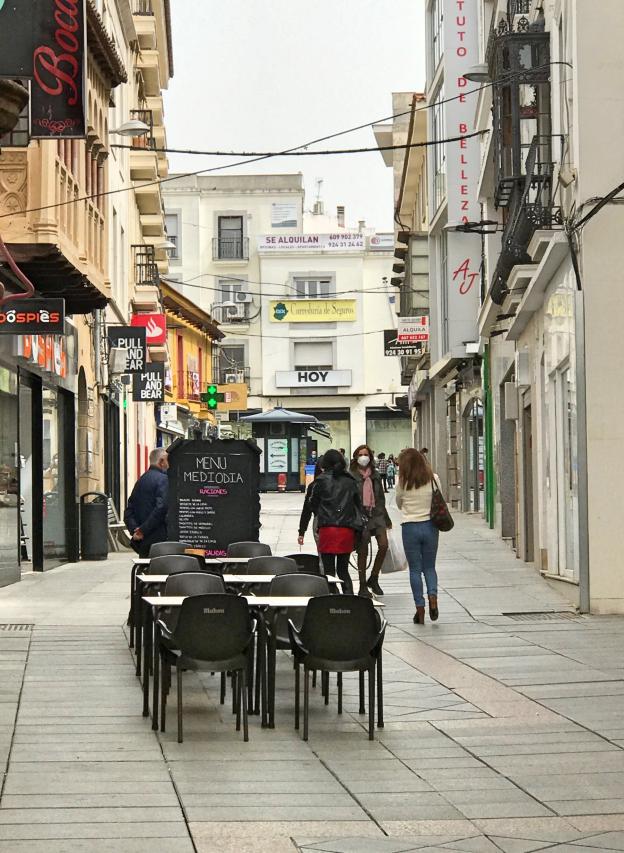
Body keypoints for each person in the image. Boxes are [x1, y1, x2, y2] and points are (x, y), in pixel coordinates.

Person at [396, 448, 441, 625]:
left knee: (415, 570)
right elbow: (440, 499)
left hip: (410, 527)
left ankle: (420, 609)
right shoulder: (433, 479)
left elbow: (399, 504)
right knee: (429, 567)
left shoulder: (402, 482)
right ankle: (433, 596)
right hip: (430, 526)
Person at [309, 449, 361, 595]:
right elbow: (358, 505)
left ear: (324, 463)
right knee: (343, 570)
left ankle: (333, 598)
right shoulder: (350, 481)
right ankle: (349, 599)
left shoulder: (320, 481)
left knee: (329, 571)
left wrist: (320, 513)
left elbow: (313, 503)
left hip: (327, 529)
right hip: (346, 529)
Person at [350, 445, 392, 597]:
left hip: (377, 514)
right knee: (363, 550)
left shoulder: (374, 475)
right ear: (356, 456)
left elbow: (380, 497)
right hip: (360, 516)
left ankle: (374, 577)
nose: (363, 457)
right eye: (360, 454)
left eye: (366, 454)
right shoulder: (351, 475)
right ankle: (362, 585)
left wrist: (386, 518)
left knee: (383, 545)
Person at [124, 448, 169, 558]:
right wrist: (142, 530)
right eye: (168, 461)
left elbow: (129, 510)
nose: (169, 464)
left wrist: (135, 530)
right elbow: (161, 508)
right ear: (162, 461)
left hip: (143, 542)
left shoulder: (141, 480)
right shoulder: (163, 479)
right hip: (158, 540)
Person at [298, 456, 324, 548]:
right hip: (335, 522)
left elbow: (307, 510)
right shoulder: (314, 486)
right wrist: (301, 531)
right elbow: (306, 510)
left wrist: (301, 532)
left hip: (320, 522)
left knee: (324, 556)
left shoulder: (314, 486)